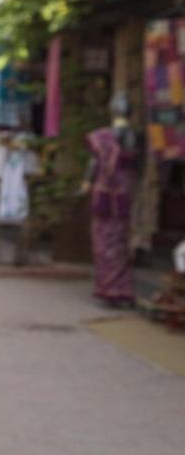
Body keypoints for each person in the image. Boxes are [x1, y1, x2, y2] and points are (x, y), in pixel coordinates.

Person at [82, 95, 138, 307]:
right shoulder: (132, 135)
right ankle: (120, 289)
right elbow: (134, 164)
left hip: (104, 193)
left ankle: (108, 288)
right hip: (122, 193)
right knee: (119, 242)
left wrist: (86, 184)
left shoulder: (102, 137)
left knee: (104, 242)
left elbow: (93, 163)